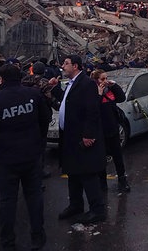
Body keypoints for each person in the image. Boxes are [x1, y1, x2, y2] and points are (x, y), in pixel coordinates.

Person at [0, 64, 51, 250]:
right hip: (31, 156)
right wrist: (38, 142)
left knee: (7, 201)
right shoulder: (33, 95)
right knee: (34, 197)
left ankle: (7, 241)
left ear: (1, 79)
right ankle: (37, 236)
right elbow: (45, 119)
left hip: (7, 158)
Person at [58, 55, 107, 224]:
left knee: (87, 174)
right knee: (73, 172)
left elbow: (92, 111)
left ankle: (97, 209)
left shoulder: (86, 84)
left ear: (76, 66)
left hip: (82, 137)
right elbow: (68, 104)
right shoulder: (71, 84)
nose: (63, 66)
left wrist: (88, 135)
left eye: (66, 63)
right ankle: (75, 205)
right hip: (70, 136)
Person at [90, 69, 130, 193]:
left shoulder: (110, 90)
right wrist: (99, 93)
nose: (105, 81)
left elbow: (121, 98)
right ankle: (102, 183)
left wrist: (114, 85)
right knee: (101, 157)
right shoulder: (92, 92)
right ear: (96, 80)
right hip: (100, 131)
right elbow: (93, 108)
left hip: (113, 128)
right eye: (102, 79)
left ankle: (122, 181)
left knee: (117, 156)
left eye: (106, 78)